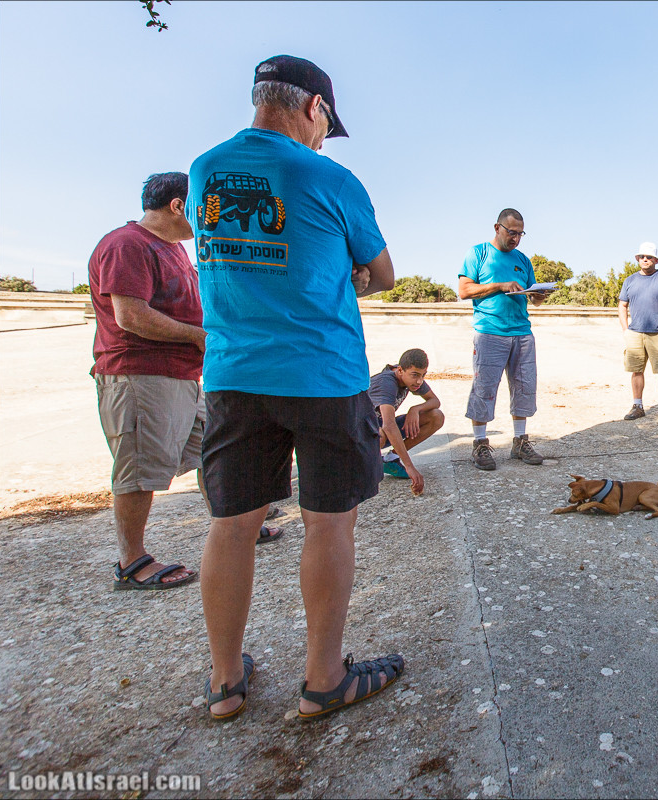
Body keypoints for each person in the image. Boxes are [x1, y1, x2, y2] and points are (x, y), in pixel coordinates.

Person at [188, 55, 400, 720]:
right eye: (325, 125)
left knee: (232, 525)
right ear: (315, 108)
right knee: (329, 522)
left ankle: (225, 682)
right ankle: (323, 677)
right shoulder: (327, 175)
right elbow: (384, 272)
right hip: (321, 372)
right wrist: (349, 274)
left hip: (234, 372)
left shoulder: (203, 170)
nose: (322, 136)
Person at [90, 173, 206, 591]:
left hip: (181, 375)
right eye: (203, 207)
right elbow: (131, 316)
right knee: (139, 467)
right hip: (139, 374)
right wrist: (197, 336)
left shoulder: (174, 250)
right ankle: (131, 561)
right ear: (178, 206)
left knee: (212, 449)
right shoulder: (128, 244)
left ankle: (233, 525)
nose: (209, 218)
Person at [458, 209, 549, 470]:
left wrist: (539, 295)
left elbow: (533, 296)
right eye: (512, 232)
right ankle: (480, 444)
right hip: (489, 332)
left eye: (520, 234)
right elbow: (464, 291)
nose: (516, 239)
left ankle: (520, 441)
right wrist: (500, 285)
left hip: (521, 332)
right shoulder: (478, 254)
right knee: (484, 388)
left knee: (524, 386)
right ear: (497, 227)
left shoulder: (523, 260)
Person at [368, 349, 444, 494]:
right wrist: (409, 466)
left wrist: (415, 409)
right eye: (415, 375)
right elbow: (389, 425)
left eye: (423, 375)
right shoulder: (386, 383)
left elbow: (435, 401)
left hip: (381, 425)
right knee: (380, 435)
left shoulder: (412, 378)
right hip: (361, 430)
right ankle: (362, 467)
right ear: (400, 370)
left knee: (436, 416)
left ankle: (392, 458)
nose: (419, 381)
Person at [619, 242, 658, 421]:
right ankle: (637, 406)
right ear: (638, 259)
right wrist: (625, 329)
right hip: (635, 333)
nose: (645, 260)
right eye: (642, 257)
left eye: (649, 257)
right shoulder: (629, 281)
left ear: (655, 260)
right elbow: (622, 305)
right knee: (636, 370)